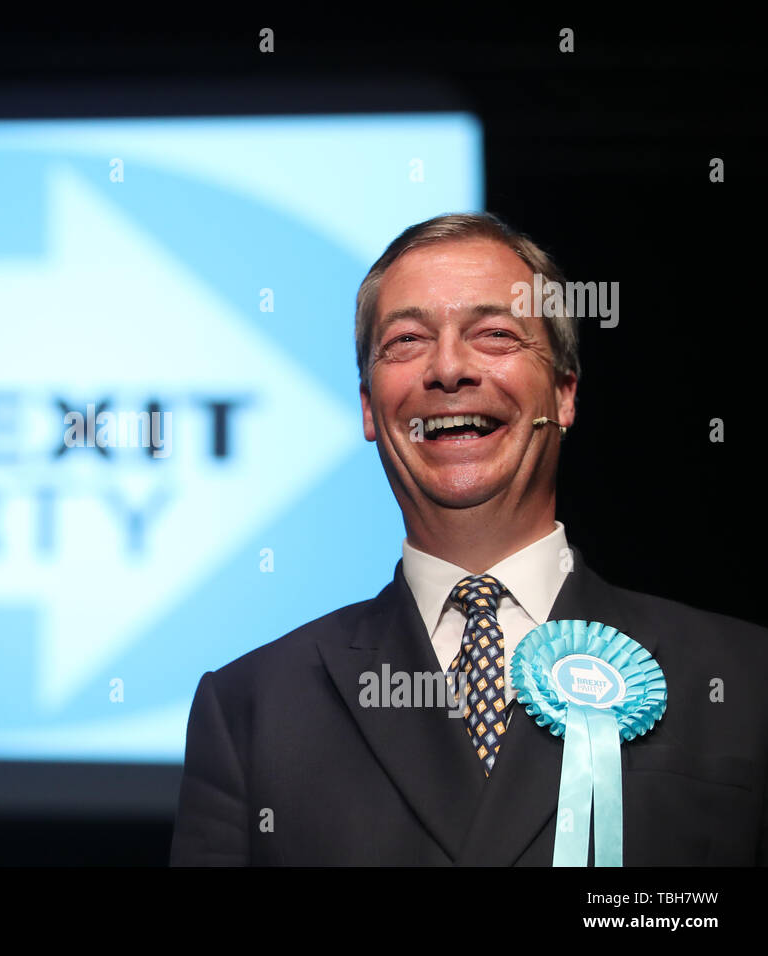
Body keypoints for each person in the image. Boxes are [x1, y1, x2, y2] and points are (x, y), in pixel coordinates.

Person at [169, 212, 768, 866]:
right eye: (406, 340)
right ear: (371, 407)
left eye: (494, 334)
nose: (448, 368)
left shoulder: (742, 679)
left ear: (564, 393)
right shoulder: (252, 711)